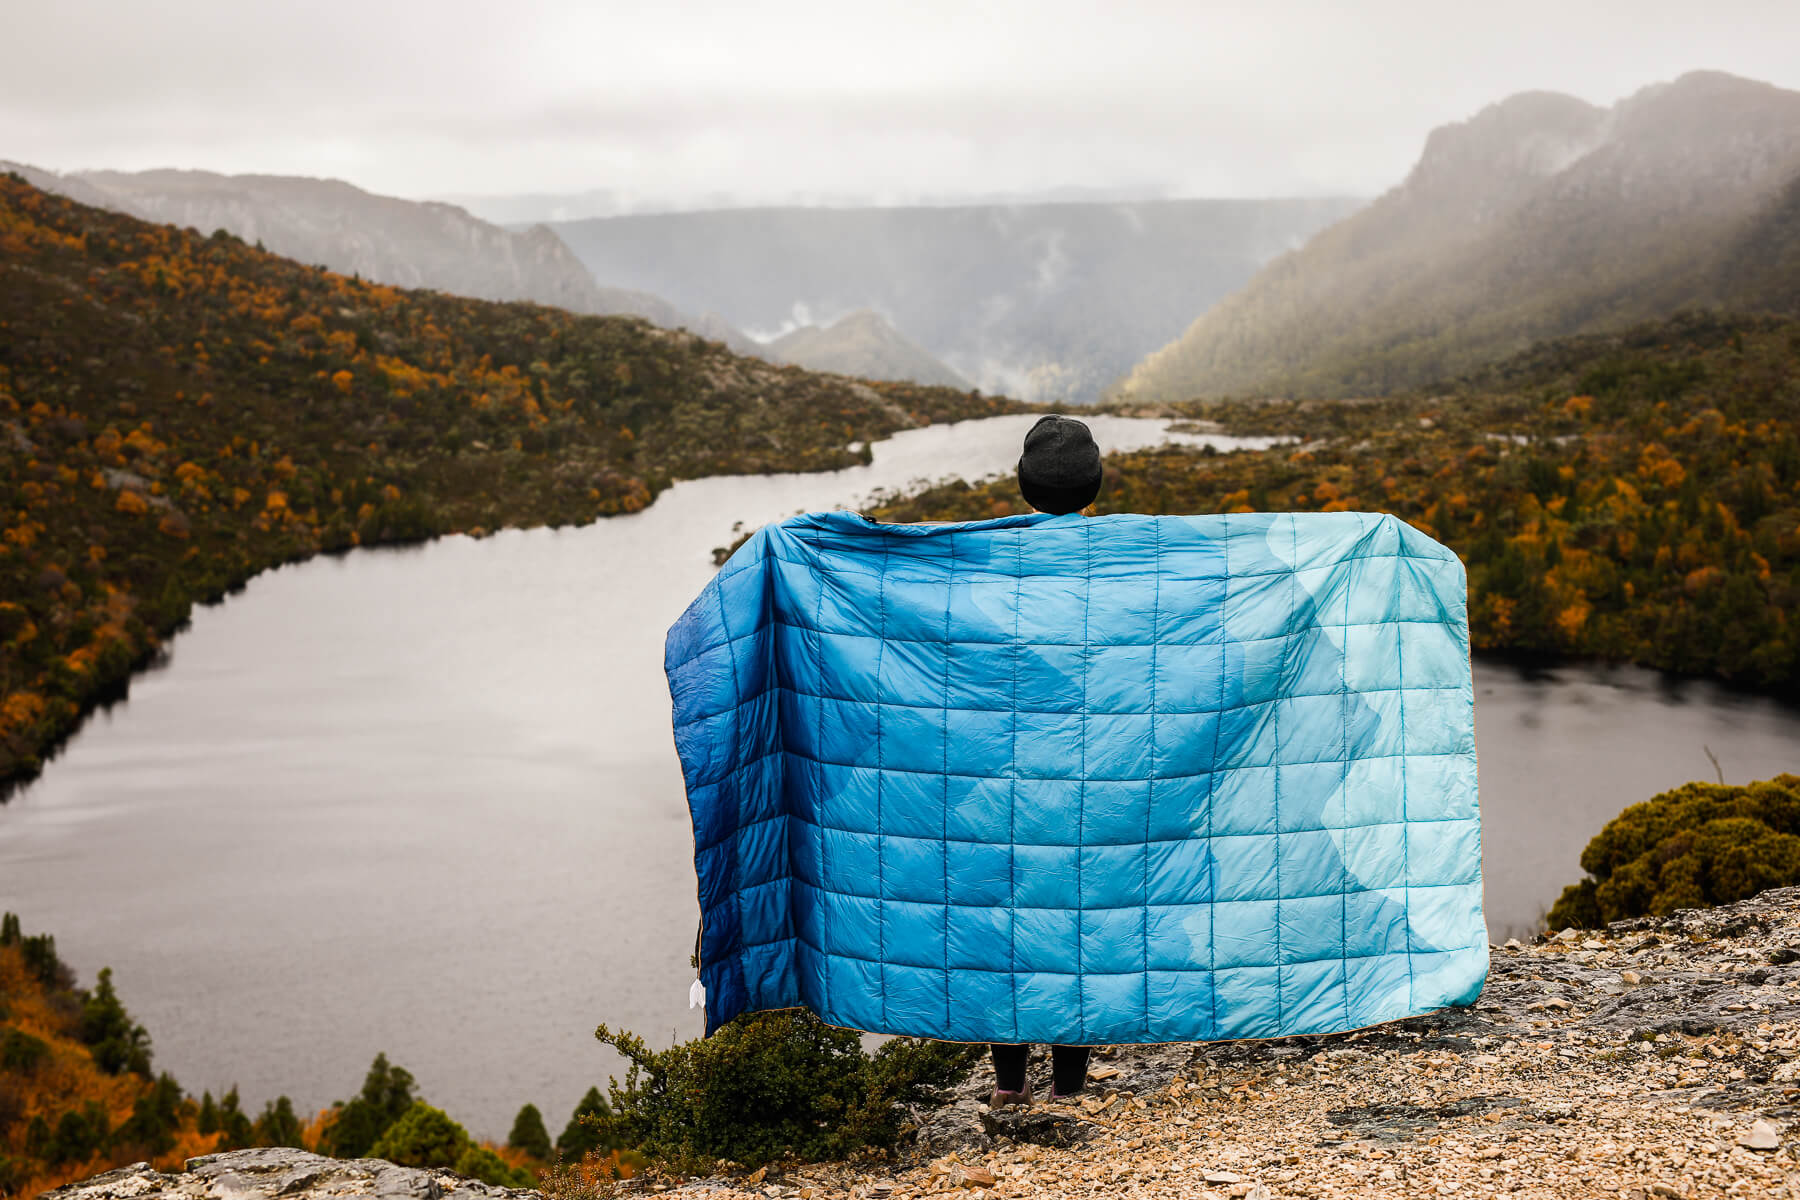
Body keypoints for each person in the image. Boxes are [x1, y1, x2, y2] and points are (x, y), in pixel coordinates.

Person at [987, 415, 1103, 1107]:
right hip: (1092, 778)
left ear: (1023, 486)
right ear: (1095, 483)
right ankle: (1068, 1087)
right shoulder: (1130, 560)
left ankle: (1008, 1086)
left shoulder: (986, 557)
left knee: (1006, 924)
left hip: (1004, 782)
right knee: (1078, 925)